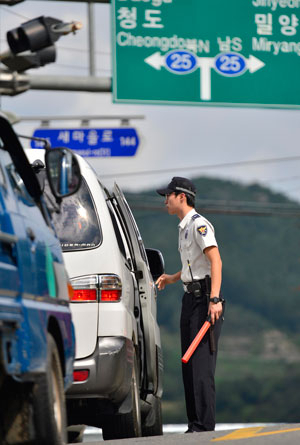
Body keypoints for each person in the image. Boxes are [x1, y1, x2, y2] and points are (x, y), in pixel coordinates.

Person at [155, 176, 224, 433]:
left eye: (168, 196)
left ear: (181, 197)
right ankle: (194, 424)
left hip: (205, 301)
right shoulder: (183, 227)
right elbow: (192, 267)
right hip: (189, 299)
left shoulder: (199, 225)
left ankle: (204, 426)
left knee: (200, 366)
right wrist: (172, 278)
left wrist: (214, 300)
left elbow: (215, 262)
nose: (165, 201)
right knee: (188, 362)